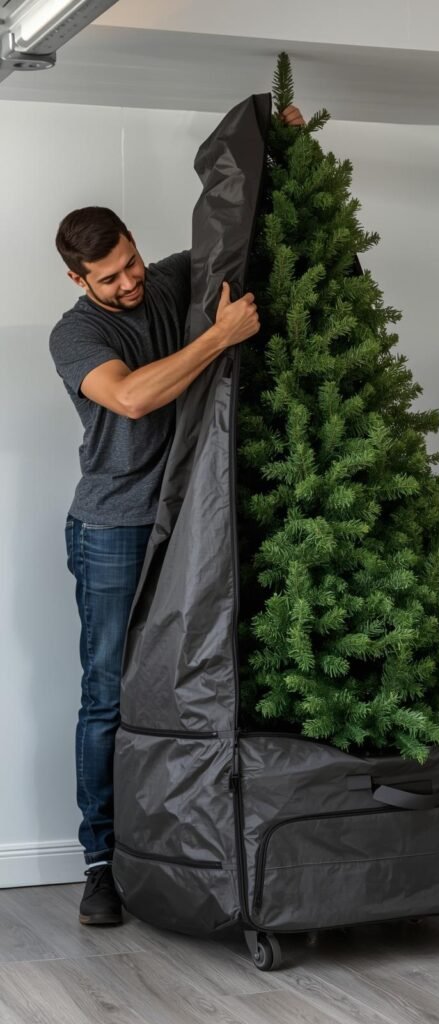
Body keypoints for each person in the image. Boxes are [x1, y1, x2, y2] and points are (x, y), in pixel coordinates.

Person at [50, 104, 305, 926]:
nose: (128, 284)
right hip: (116, 526)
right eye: (108, 278)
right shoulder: (74, 334)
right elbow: (130, 398)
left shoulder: (165, 280)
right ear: (76, 281)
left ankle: (180, 842)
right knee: (109, 694)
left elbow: (239, 229)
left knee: (192, 685)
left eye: (128, 264)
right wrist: (216, 341)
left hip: (193, 511)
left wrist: (281, 142)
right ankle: (100, 861)